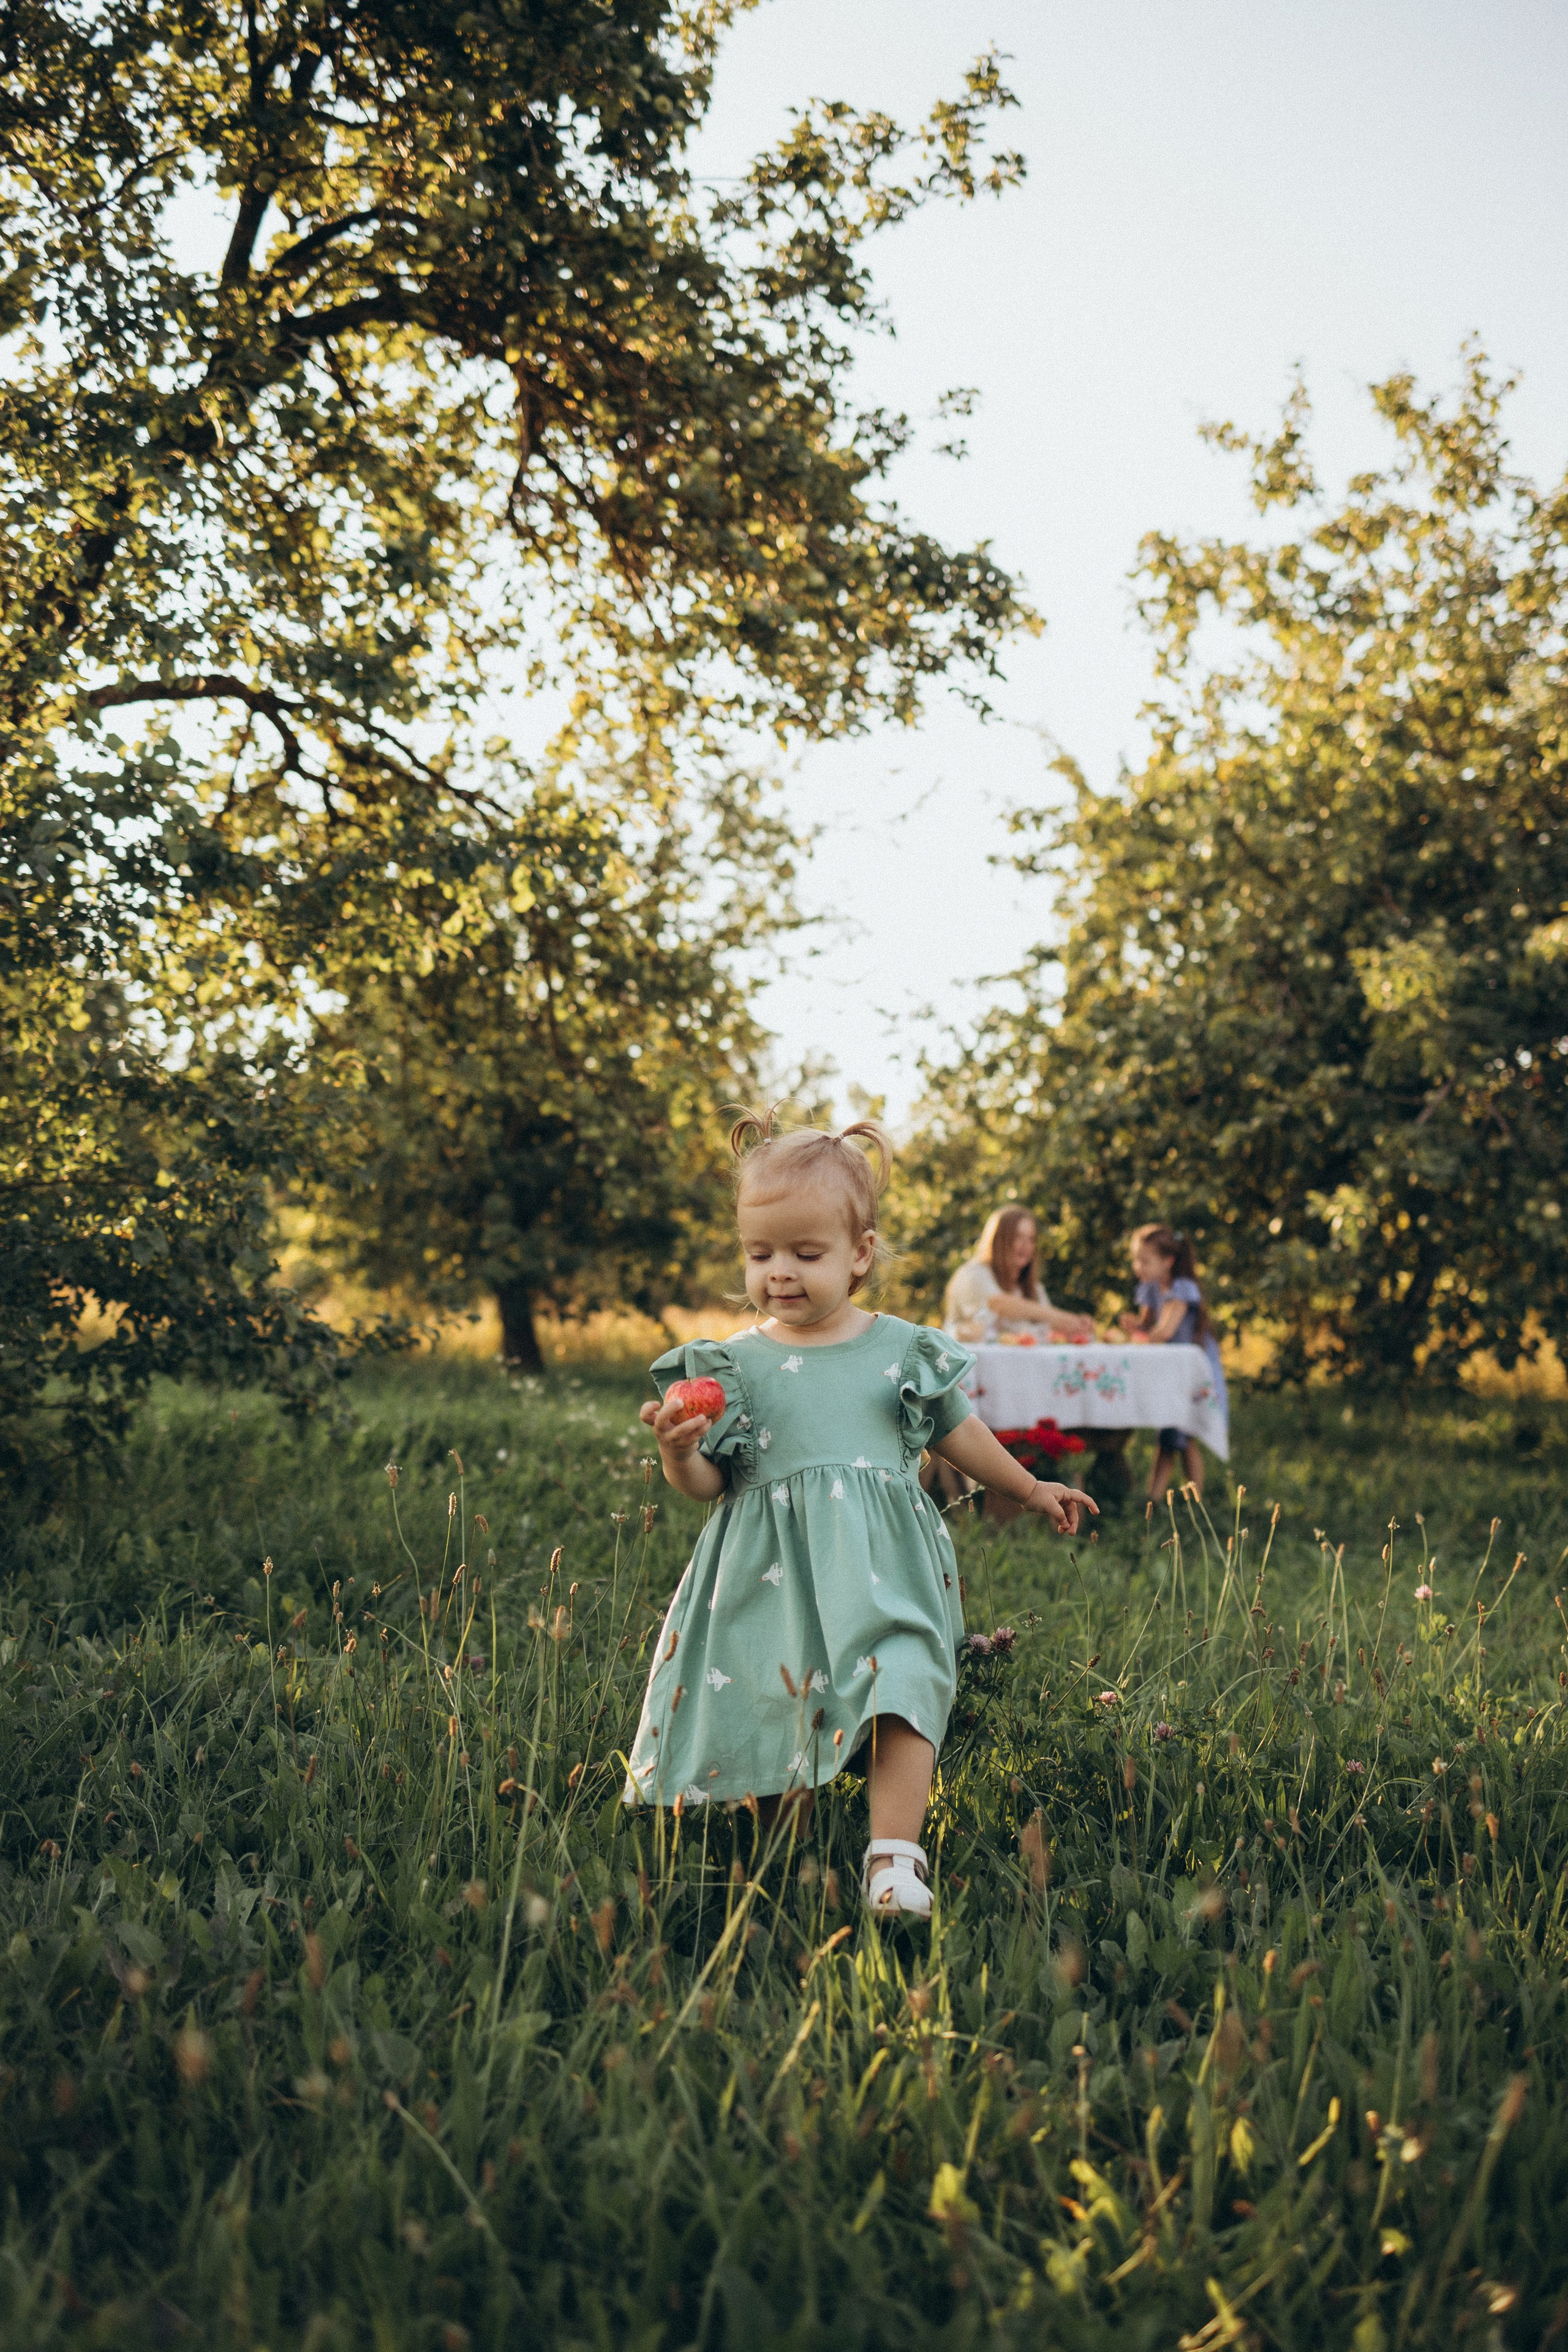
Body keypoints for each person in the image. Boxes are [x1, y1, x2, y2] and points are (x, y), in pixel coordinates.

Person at [630, 1111, 1096, 1920]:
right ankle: (785, 1869)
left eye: (805, 1254)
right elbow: (708, 1484)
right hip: (769, 1580)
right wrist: (679, 1454)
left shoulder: (900, 1350)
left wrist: (1028, 1488)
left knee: (904, 1678)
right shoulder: (731, 1366)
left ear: (860, 1254)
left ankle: (894, 1860)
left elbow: (958, 1431)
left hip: (882, 1571)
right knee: (776, 1705)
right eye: (759, 1253)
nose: (780, 1272)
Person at [1119, 1223, 1228, 1500]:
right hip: (1171, 1371)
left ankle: (1196, 1500)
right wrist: (1135, 1326)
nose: (1138, 1267)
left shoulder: (1182, 1288)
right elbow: (1147, 1325)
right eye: (1136, 1260)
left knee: (1185, 1433)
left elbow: (1165, 1331)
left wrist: (1143, 1336)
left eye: (1145, 1261)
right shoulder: (1151, 1288)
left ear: (1168, 1261)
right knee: (1168, 1431)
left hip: (1193, 1371)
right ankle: (1154, 1500)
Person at [942, 1205, 1095, 1347]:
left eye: (1031, 1239)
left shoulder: (1033, 1287)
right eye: (1018, 1237)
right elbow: (998, 1304)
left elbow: (1049, 1329)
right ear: (999, 1240)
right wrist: (1059, 1317)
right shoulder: (972, 1274)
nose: (1026, 1246)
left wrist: (1077, 1325)